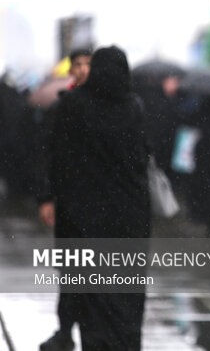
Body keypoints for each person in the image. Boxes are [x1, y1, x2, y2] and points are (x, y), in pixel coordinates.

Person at [40, 45, 150, 350]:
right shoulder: (134, 107)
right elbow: (142, 156)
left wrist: (51, 196)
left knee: (89, 289)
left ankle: (93, 341)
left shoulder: (73, 105)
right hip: (129, 216)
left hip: (84, 214)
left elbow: (57, 157)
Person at [37, 48, 92, 351]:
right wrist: (46, 197)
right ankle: (66, 330)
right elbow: (47, 154)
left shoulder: (108, 105)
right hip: (71, 203)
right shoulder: (62, 106)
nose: (83, 70)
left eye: (88, 64)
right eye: (78, 65)